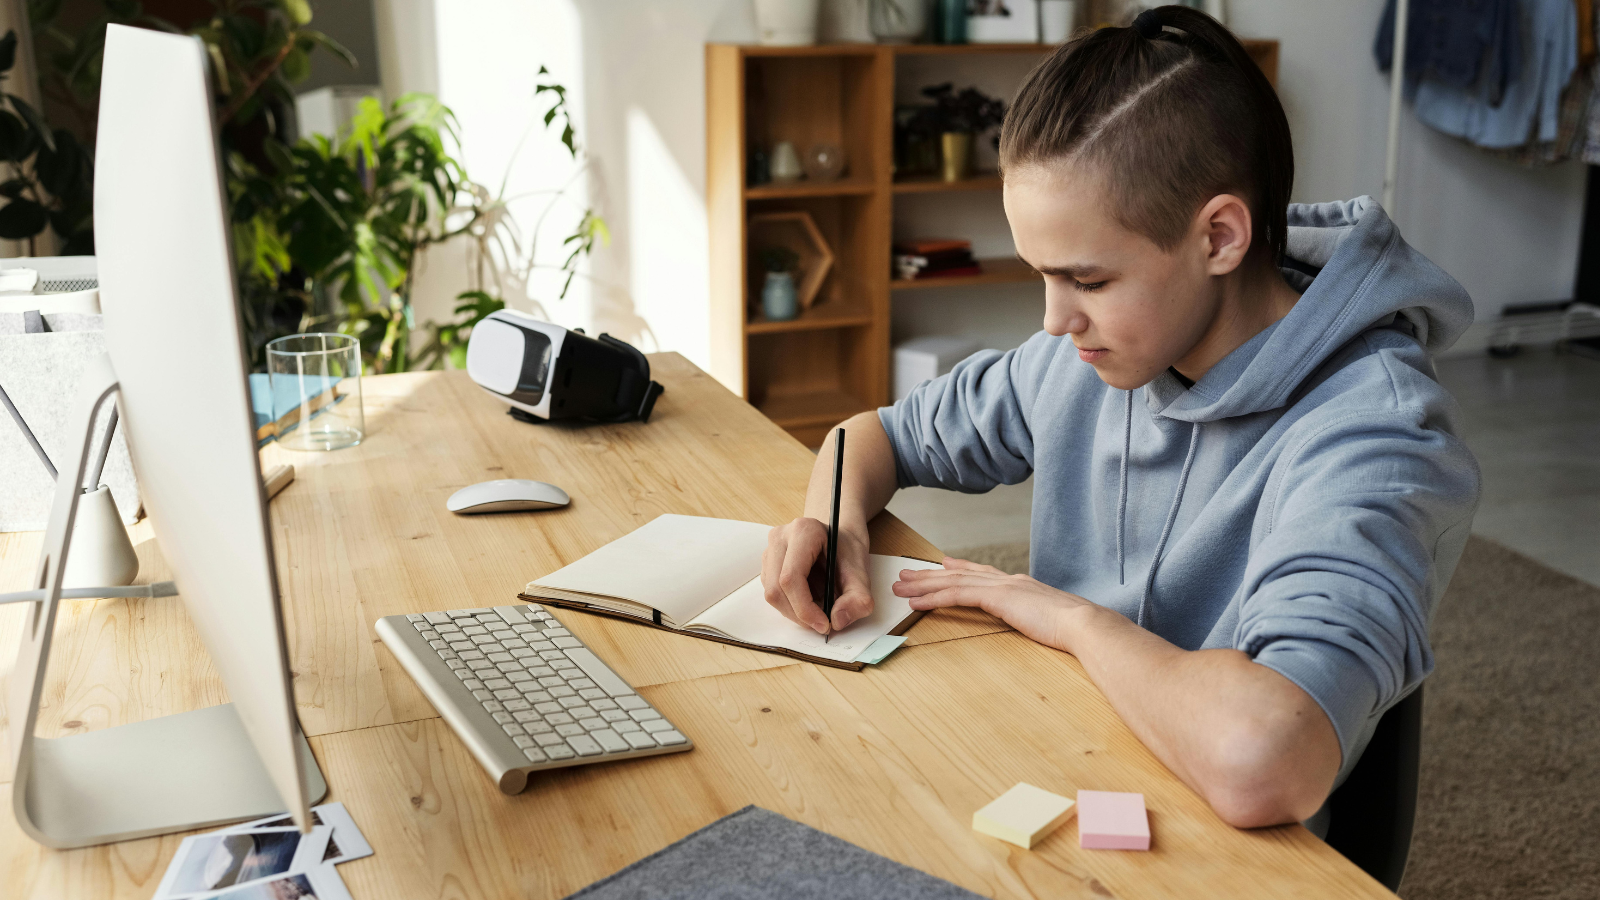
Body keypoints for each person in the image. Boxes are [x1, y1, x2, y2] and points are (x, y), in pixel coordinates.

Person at [759, 5, 1479, 831]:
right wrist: (834, 521)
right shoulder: (1089, 355)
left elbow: (1266, 761)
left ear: (1219, 236)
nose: (1054, 319)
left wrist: (1064, 616)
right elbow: (872, 437)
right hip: (1063, 758)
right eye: (1040, 274)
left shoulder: (1375, 437)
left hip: (1221, 849)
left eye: (1087, 280)